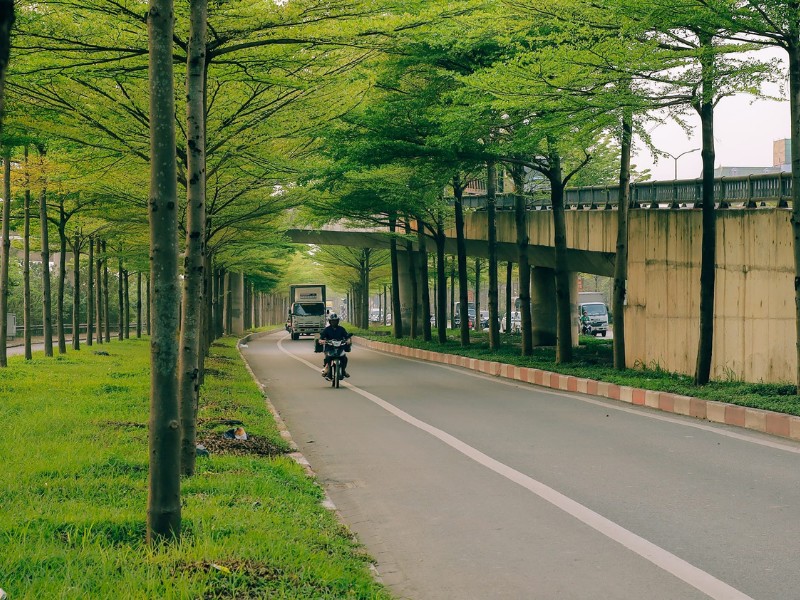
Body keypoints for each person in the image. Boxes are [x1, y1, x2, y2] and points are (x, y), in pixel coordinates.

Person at [318, 313, 351, 379]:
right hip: (329, 348)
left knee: (344, 358)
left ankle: (343, 371)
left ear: (338, 321)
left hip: (340, 347)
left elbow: (347, 336)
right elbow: (321, 338)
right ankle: (326, 368)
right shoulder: (327, 329)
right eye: (332, 321)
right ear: (330, 321)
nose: (334, 322)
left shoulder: (341, 329)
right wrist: (321, 341)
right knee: (327, 358)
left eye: (335, 321)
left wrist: (348, 340)